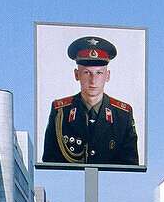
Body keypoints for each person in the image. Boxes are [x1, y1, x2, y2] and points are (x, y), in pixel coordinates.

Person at [42, 37, 139, 166]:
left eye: (99, 73)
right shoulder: (60, 112)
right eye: (87, 73)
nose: (93, 80)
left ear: (107, 76)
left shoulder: (122, 115)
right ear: (77, 74)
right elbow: (50, 163)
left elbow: (131, 166)